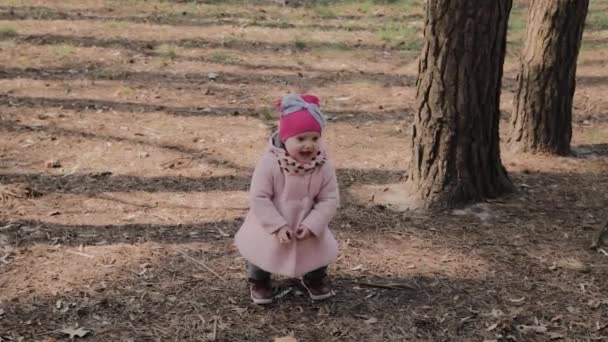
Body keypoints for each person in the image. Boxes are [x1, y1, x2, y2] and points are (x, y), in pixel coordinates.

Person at [234, 93, 339, 305]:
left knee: (316, 253)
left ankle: (315, 278)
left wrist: (314, 223)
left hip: (307, 221)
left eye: (314, 138)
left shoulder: (323, 165)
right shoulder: (270, 163)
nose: (308, 145)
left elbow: (329, 197)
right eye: (301, 139)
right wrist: (277, 225)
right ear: (285, 138)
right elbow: (260, 197)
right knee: (261, 251)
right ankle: (259, 280)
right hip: (271, 221)